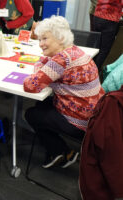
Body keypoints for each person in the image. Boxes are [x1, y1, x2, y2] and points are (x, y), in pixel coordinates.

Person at [23, 16, 105, 169]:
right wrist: (43, 64)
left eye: (45, 38)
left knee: (31, 114)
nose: (40, 44)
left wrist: (38, 68)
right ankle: (56, 148)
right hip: (96, 115)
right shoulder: (73, 51)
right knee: (42, 104)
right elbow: (45, 63)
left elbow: (30, 85)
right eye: (39, 39)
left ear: (60, 38)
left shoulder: (61, 60)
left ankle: (61, 151)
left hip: (81, 122)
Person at [90, 0, 122, 72]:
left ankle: (88, 70)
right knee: (104, 50)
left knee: (95, 46)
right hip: (110, 19)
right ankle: (94, 73)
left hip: (97, 16)